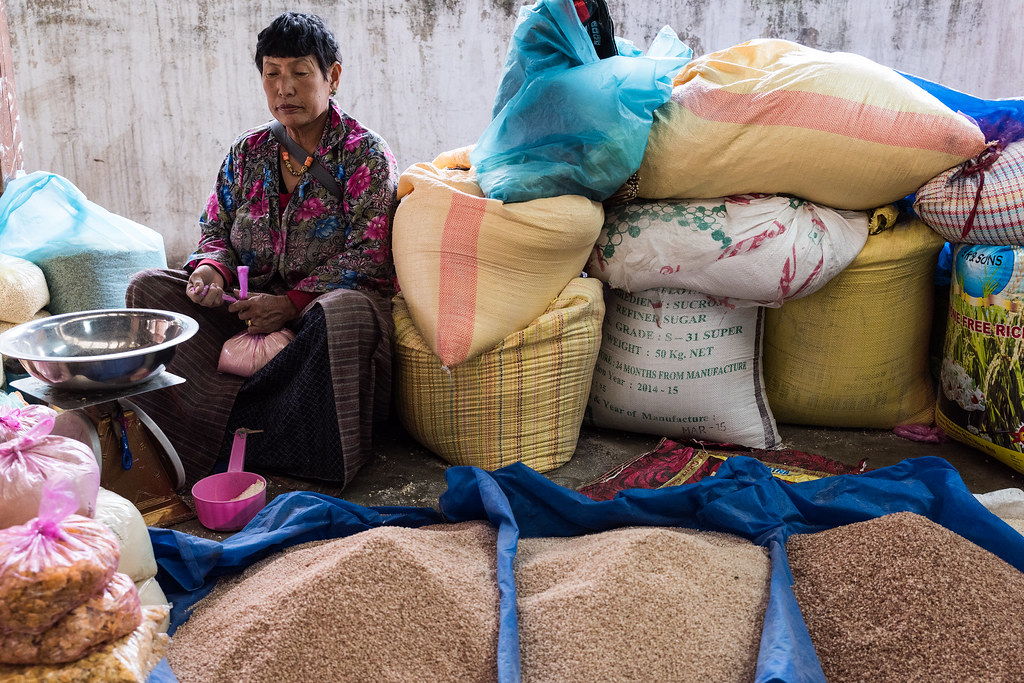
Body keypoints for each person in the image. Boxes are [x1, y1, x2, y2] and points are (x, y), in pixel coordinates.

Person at [127, 11, 399, 487]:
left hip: (317, 320)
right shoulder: (246, 152)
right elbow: (215, 229)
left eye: (299, 73)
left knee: (345, 312)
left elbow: (370, 254)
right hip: (247, 314)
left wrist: (289, 304)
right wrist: (213, 272)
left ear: (332, 76)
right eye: (272, 74)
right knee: (147, 288)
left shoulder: (365, 155)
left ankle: (264, 435)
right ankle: (198, 431)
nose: (284, 88)